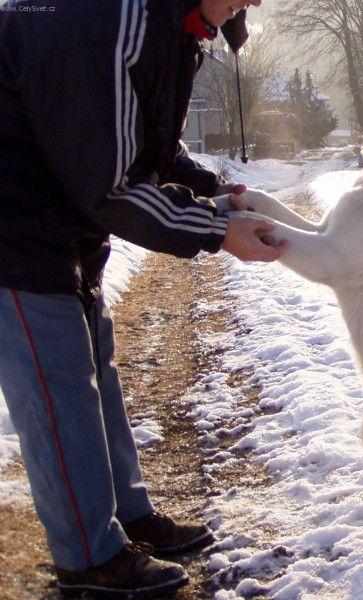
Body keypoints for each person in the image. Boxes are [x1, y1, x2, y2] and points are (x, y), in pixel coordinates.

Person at [0, 0, 274, 596]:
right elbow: (112, 181)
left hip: (61, 213)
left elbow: (148, 145)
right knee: (58, 386)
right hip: (15, 225)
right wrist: (213, 228)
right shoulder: (107, 21)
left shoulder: (173, 27)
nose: (251, 2)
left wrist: (217, 193)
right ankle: (88, 558)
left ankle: (126, 514)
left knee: (95, 364)